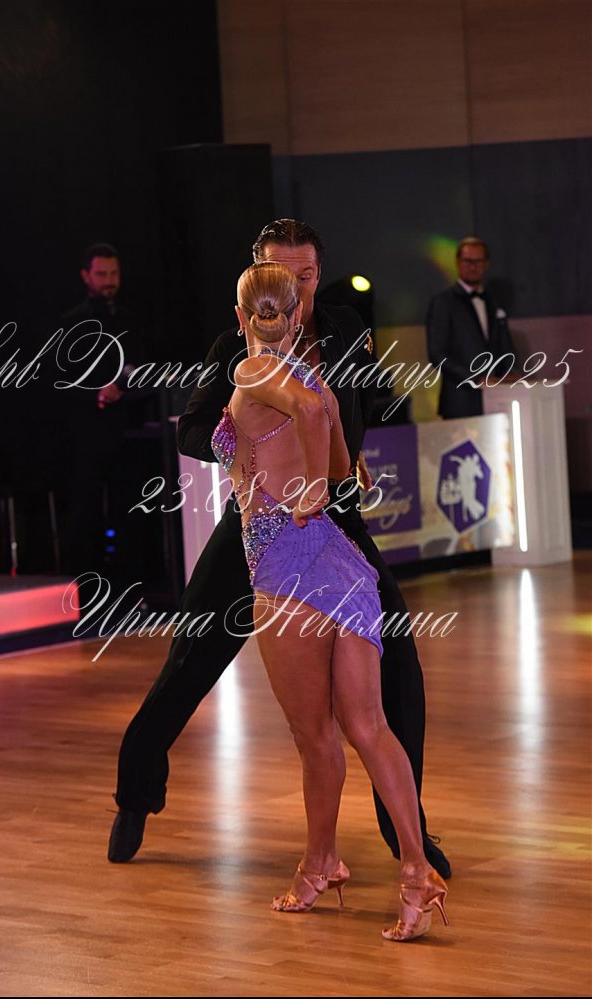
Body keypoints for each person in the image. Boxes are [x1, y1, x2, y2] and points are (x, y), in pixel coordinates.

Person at [108, 219, 451, 882]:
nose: (294, 287)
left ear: (318, 274)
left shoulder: (345, 327)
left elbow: (355, 401)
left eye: (306, 275)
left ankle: (405, 831)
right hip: (262, 527)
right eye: (281, 274)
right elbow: (193, 429)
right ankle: (135, 794)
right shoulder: (235, 346)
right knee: (191, 657)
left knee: (399, 661)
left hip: (334, 521)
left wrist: (348, 461)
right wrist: (245, 453)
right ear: (255, 278)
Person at [210, 260, 449, 939]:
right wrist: (322, 474)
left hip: (287, 567)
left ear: (242, 317)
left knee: (315, 736)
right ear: (297, 315)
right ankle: (413, 873)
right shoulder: (316, 378)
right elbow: (345, 462)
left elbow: (318, 442)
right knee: (368, 726)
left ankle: (320, 863)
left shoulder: (251, 371)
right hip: (345, 567)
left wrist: (309, 488)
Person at [59, 243, 147, 576]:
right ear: (86, 276)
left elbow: (142, 366)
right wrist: (96, 394)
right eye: (101, 274)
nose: (109, 280)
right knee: (87, 511)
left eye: (113, 273)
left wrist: (122, 387)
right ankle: (88, 587)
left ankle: (129, 583)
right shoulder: (72, 323)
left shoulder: (130, 320)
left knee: (130, 509)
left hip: (129, 430)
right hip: (87, 433)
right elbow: (61, 379)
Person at [426, 236, 517, 418]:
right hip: (460, 401)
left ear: (486, 264)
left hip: (497, 397)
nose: (473, 267)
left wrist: (511, 373)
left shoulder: (493, 301)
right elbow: (437, 354)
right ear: (458, 263)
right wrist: (476, 379)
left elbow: (504, 345)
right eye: (468, 261)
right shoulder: (443, 303)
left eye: (478, 261)